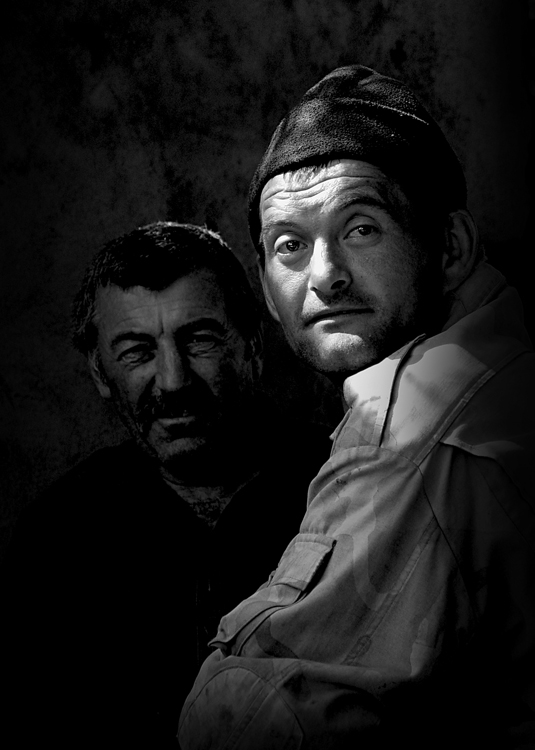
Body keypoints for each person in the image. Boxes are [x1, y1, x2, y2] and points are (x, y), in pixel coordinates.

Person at [178, 66, 535, 749]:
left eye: (361, 228)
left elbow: (252, 722)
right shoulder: (500, 358)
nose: (324, 275)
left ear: (449, 247)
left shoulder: (409, 439)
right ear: (265, 285)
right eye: (289, 245)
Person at [0, 222, 330, 748]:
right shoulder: (57, 535)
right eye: (137, 351)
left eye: (199, 340)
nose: (173, 380)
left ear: (252, 345)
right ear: (100, 372)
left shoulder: (341, 486)